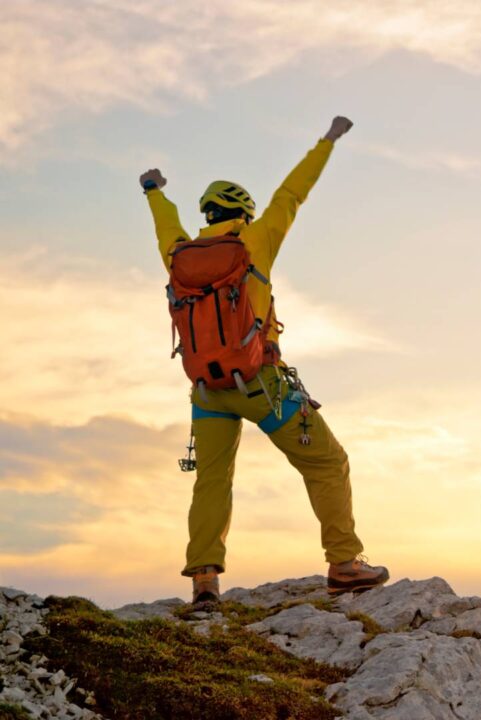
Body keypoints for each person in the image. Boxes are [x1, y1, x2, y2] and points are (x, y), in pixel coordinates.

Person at [139, 116, 388, 605]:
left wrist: (153, 190)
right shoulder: (254, 243)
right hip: (260, 382)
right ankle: (344, 563)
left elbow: (163, 221)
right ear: (244, 213)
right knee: (327, 461)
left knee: (213, 479)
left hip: (207, 389)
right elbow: (292, 193)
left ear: (208, 213)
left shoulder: (179, 253)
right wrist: (327, 142)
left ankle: (205, 581)